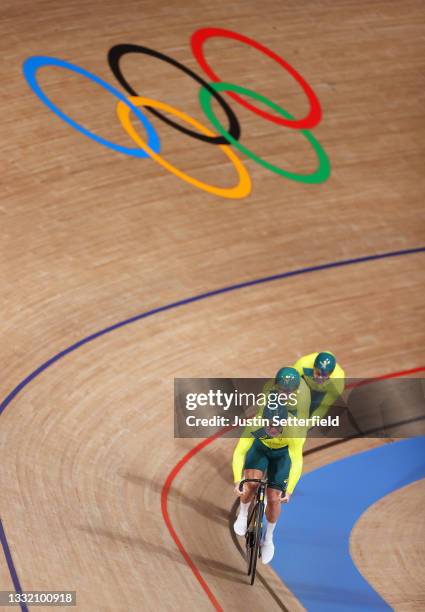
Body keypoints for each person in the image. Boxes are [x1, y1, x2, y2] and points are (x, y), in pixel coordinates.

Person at [232, 367, 311, 564]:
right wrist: (237, 479)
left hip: (282, 454)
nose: (273, 430)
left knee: (274, 498)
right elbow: (240, 451)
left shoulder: (294, 430)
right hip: (261, 448)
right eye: (269, 426)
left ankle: (269, 538)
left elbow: (297, 460)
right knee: (251, 483)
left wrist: (289, 489)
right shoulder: (257, 424)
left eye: (278, 427)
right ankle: (243, 515)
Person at [293, 351, 345, 420]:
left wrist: (308, 424)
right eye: (317, 373)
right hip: (305, 381)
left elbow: (322, 408)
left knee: (314, 406)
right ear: (313, 367)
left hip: (321, 391)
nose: (320, 378)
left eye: (324, 375)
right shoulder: (303, 364)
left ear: (331, 373)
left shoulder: (338, 381)